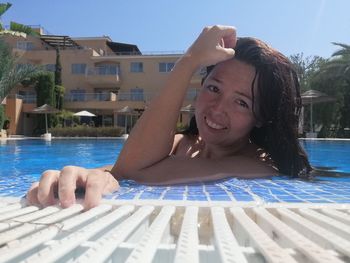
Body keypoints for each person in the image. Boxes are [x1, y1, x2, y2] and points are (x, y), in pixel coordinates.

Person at [27, 25, 312, 209]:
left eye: (241, 102)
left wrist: (188, 60)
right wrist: (89, 176)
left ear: (261, 117)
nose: (217, 109)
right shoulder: (181, 144)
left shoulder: (259, 166)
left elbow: (133, 172)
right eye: (213, 88)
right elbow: (122, 169)